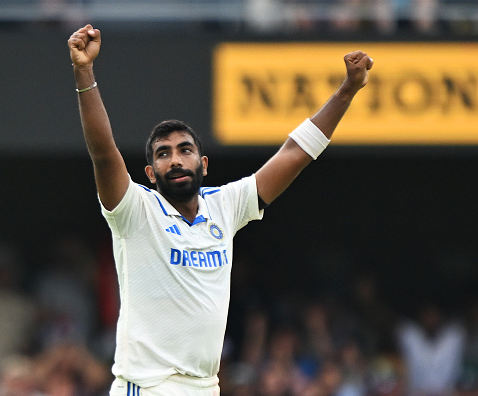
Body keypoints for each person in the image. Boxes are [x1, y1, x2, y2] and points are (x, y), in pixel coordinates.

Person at [67, 24, 373, 396]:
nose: (175, 160)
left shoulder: (225, 205)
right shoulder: (135, 210)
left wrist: (347, 91)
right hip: (146, 389)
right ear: (150, 174)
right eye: (163, 154)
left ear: (204, 163)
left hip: (205, 388)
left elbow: (294, 152)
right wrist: (84, 72)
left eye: (185, 150)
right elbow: (102, 152)